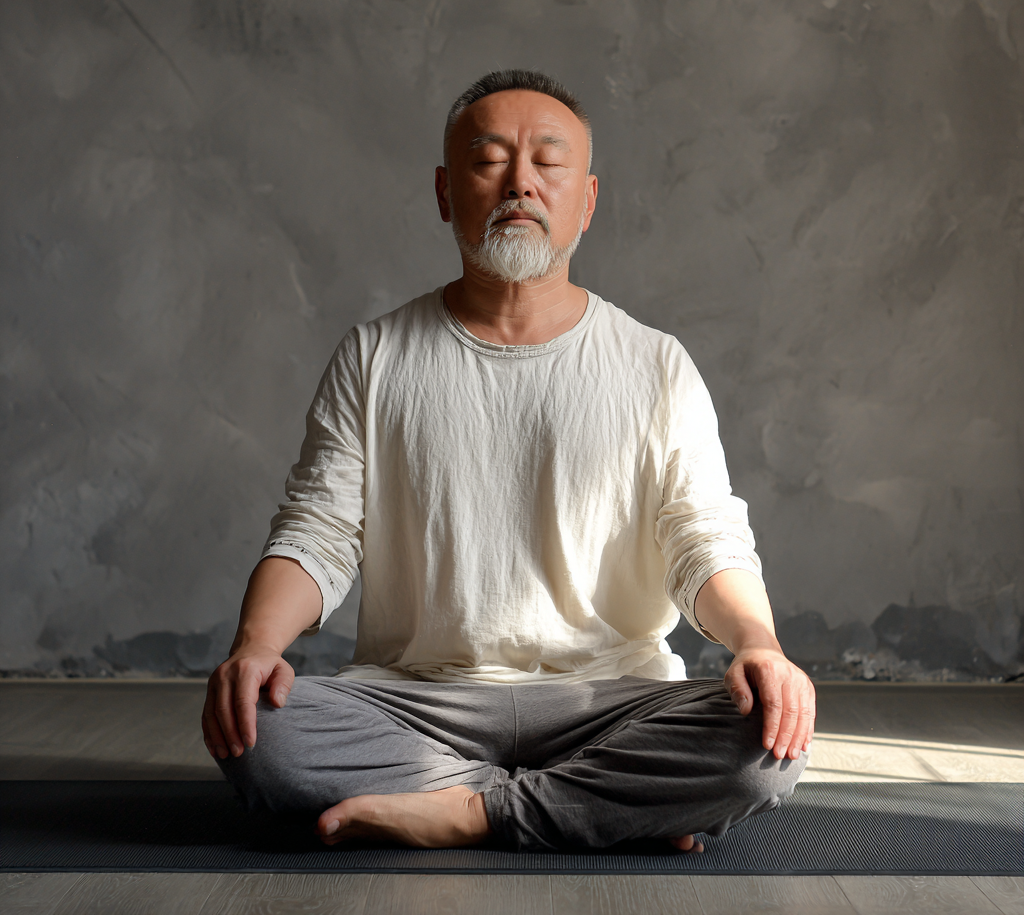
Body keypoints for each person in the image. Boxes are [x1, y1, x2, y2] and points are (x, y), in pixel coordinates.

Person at [202, 70, 815, 853]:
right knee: (262, 733)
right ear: (445, 192)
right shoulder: (375, 355)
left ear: (586, 201)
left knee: (764, 744)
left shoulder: (656, 364)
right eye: (489, 159)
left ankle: (464, 812)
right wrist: (256, 648)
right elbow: (317, 531)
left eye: (548, 162)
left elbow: (704, 538)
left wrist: (760, 645)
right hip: (417, 701)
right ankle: (598, 811)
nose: (520, 182)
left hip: (613, 699)